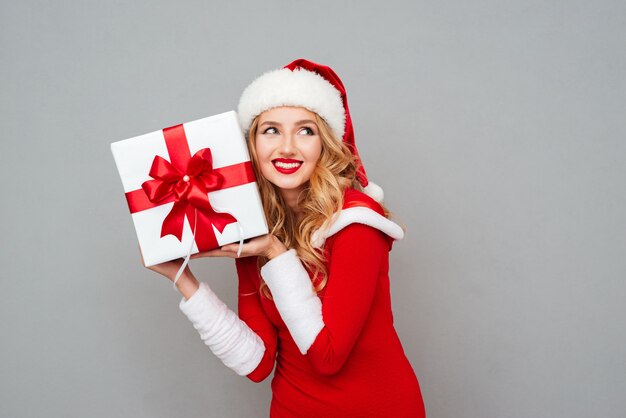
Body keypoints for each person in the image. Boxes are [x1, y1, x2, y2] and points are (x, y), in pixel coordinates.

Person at [146, 59, 426, 417]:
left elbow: (327, 357)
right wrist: (181, 278)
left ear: (325, 143)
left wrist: (276, 254)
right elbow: (258, 363)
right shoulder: (256, 231)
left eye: (305, 131)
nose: (287, 147)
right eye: (271, 130)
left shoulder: (357, 223)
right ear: (252, 144)